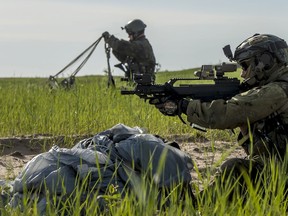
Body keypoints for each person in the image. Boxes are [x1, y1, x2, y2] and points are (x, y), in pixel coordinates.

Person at [149, 33, 288, 201]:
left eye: (245, 66)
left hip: (282, 177)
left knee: (236, 169)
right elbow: (268, 151)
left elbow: (225, 114)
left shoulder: (277, 91)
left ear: (265, 61)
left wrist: (183, 106)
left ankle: (199, 206)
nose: (243, 74)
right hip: (280, 173)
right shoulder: (277, 87)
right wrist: (246, 131)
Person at [102, 19, 156, 84]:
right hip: (138, 84)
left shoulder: (141, 45)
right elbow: (123, 57)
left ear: (136, 33)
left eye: (130, 34)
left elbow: (123, 46)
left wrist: (110, 40)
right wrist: (113, 46)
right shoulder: (139, 45)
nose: (128, 36)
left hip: (143, 85)